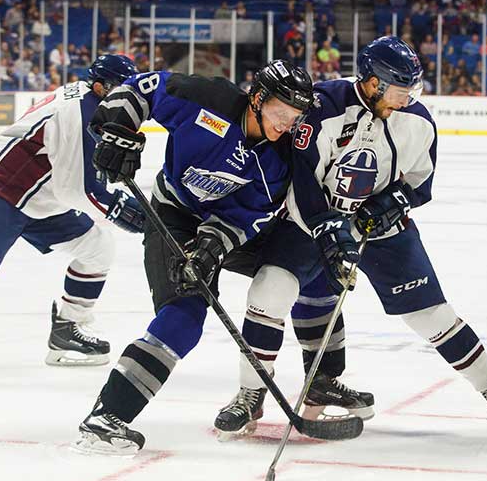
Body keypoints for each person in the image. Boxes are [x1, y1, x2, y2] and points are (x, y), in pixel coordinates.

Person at [214, 36, 487, 438]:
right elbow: (305, 178)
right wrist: (327, 228)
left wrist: (389, 204)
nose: (407, 98)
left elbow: (420, 184)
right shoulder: (322, 106)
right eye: (399, 89)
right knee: (268, 291)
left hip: (380, 230)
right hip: (312, 221)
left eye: (412, 89)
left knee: (431, 314)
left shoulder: (418, 122)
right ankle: (250, 394)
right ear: (373, 82)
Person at [72, 59, 315, 456]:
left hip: (214, 226)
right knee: (184, 317)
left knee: (296, 269)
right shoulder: (209, 100)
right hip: (172, 213)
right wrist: (117, 129)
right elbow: (140, 89)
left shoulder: (278, 160)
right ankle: (107, 416)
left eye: (293, 117)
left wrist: (211, 248)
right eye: (279, 112)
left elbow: (248, 215)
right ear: (257, 99)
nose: (284, 124)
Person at [0, 55, 142, 367]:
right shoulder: (80, 112)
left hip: (39, 197)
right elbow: (79, 190)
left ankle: (66, 329)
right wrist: (125, 213)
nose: (127, 99)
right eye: (119, 89)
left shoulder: (90, 101)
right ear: (99, 86)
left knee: (97, 246)